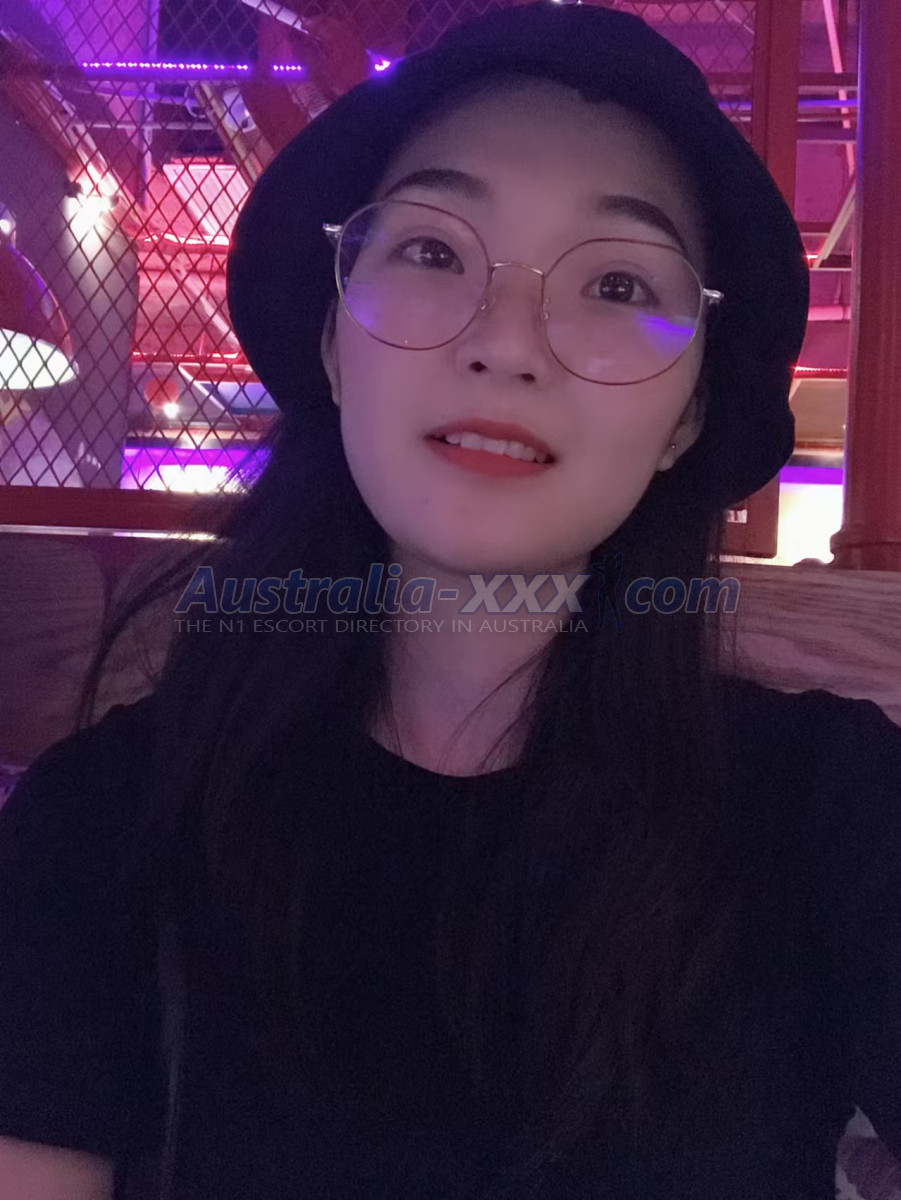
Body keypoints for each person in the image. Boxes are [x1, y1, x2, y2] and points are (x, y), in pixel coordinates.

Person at [1, 4, 900, 1199]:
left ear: (686, 413)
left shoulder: (834, 814)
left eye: (616, 281)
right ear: (335, 342)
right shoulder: (106, 826)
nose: (506, 342)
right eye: (431, 251)